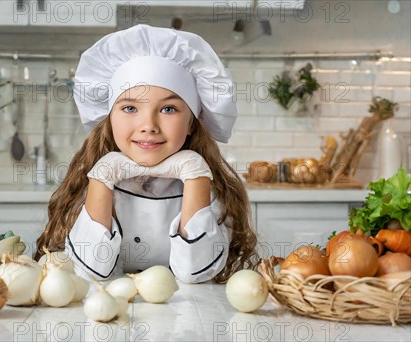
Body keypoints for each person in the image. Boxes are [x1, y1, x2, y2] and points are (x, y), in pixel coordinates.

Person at [35, 24, 258, 284]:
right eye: (130, 108)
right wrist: (103, 175)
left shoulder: (209, 191)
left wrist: (195, 173)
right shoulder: (92, 186)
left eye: (168, 109)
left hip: (187, 319)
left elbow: (195, 271)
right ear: (109, 119)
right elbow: (90, 270)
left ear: (191, 123)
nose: (148, 125)